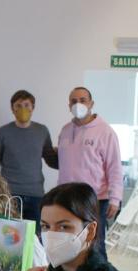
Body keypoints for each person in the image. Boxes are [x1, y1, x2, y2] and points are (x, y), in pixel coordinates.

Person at [56, 87, 123, 258]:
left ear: (91, 103)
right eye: (73, 101)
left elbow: (115, 167)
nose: (78, 104)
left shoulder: (105, 132)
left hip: (95, 200)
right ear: (68, 105)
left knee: (95, 246)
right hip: (67, 199)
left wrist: (115, 199)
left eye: (82, 100)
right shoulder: (65, 130)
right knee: (69, 245)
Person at [0, 90, 57, 233]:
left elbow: (50, 158)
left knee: (35, 238)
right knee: (7, 238)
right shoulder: (2, 132)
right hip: (9, 194)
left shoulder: (42, 131)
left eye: (26, 105)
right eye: (18, 105)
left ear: (33, 107)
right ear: (12, 109)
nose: (23, 109)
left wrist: (68, 155)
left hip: (36, 195)